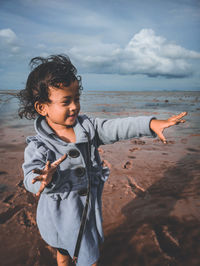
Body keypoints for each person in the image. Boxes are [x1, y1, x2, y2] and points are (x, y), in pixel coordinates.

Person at [18, 54, 187, 266]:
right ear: (42, 108)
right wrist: (41, 179)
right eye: (66, 102)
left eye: (76, 99)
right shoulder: (38, 145)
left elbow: (116, 127)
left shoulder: (88, 128)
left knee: (89, 257)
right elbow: (30, 174)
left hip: (85, 214)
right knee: (62, 252)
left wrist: (150, 124)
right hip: (57, 215)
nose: (74, 107)